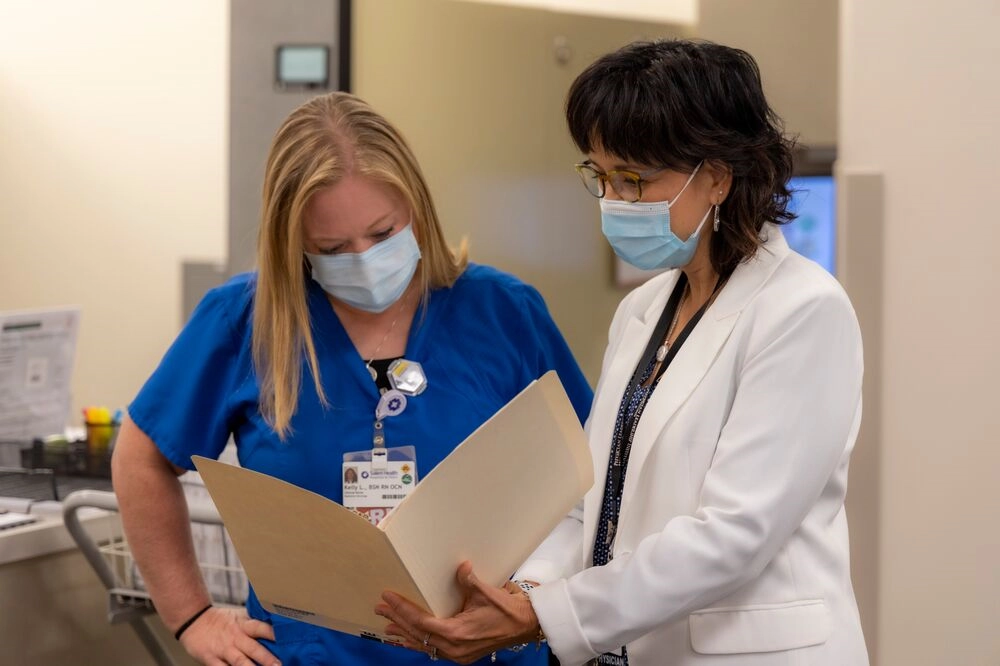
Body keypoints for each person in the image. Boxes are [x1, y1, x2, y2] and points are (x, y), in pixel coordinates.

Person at [376, 39, 869, 666]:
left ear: (717, 175)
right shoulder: (642, 310)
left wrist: (544, 616)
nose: (613, 201)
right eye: (601, 176)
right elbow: (592, 502)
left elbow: (735, 535)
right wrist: (514, 594)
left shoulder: (802, 310)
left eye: (634, 179)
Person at [111, 91, 593, 666]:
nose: (363, 259)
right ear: (293, 242)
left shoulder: (503, 312)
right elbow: (141, 460)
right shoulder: (245, 322)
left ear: (416, 207)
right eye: (333, 248)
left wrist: (535, 596)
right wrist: (191, 617)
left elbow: (585, 474)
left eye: (384, 233)